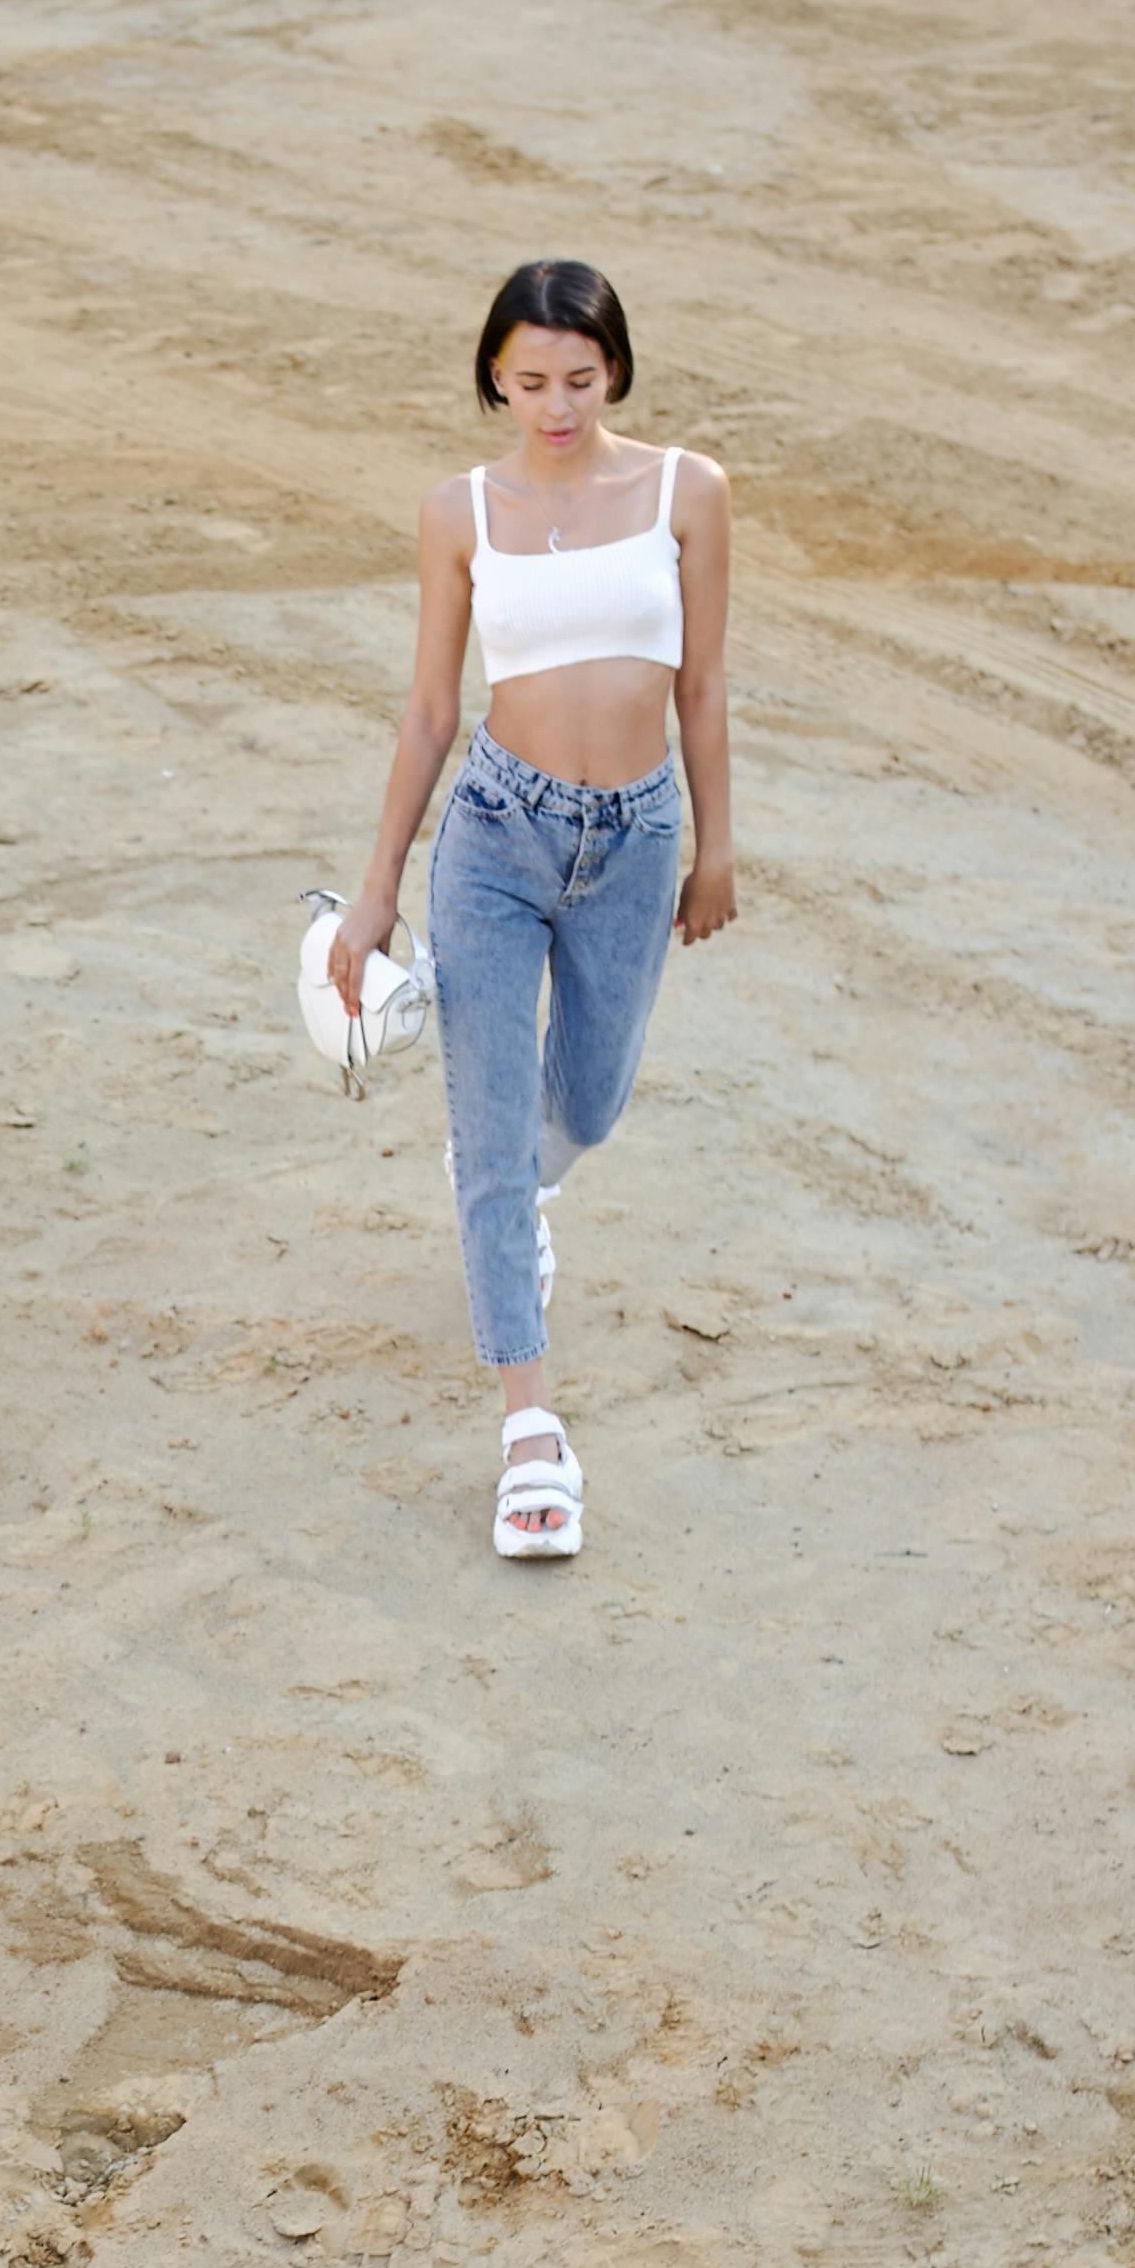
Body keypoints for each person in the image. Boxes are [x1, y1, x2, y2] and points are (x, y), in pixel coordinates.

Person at [326, 254, 737, 1559]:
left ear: (612, 369)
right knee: (497, 1141)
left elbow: (705, 686)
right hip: (495, 836)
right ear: (494, 381)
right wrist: (379, 886)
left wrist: (715, 848)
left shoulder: (686, 492)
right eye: (526, 382)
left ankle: (504, 1179)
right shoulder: (462, 511)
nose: (554, 405)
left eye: (577, 377)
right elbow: (434, 708)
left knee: (594, 1102)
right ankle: (529, 1436)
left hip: (634, 840)